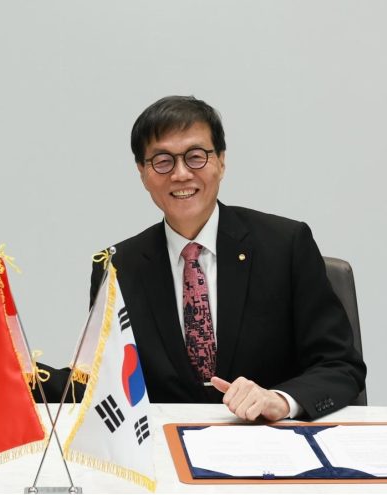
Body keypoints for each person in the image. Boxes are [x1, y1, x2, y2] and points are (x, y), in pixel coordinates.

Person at [90, 96, 366, 421]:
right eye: (163, 161)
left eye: (195, 157)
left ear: (221, 161)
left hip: (272, 438)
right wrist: (37, 378)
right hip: (164, 445)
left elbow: (340, 365)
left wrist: (281, 400)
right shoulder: (118, 267)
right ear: (142, 172)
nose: (180, 174)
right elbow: (104, 381)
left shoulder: (286, 245)